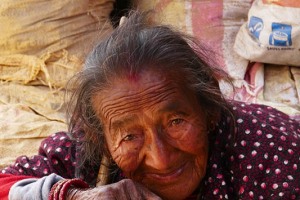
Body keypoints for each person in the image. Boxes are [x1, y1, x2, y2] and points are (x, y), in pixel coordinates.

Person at [0, 10, 299, 200]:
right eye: (130, 136)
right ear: (99, 137)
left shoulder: (268, 151)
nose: (161, 158)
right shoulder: (88, 151)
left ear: (208, 109)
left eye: (175, 121)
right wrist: (76, 196)